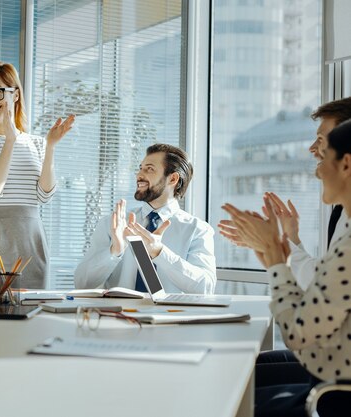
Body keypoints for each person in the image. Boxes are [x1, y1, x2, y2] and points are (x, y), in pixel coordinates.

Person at [217, 98, 351, 386]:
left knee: (234, 381)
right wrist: (287, 244)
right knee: (241, 367)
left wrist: (278, 253)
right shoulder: (342, 214)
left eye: (320, 142)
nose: (312, 152)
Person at [0, 61, 75, 289]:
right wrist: (10, 139)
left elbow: (44, 197)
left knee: (35, 311)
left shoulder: (37, 143)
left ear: (16, 94)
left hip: (32, 235)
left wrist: (50, 146)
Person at [219, 97, 351, 290]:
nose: (312, 148)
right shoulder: (342, 212)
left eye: (321, 139)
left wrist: (272, 245)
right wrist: (290, 240)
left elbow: (327, 286)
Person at [74, 143, 216, 294]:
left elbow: (205, 288)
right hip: (119, 315)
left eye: (149, 169)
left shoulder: (197, 230)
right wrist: (114, 252)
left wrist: (160, 253)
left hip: (170, 317)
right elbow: (82, 284)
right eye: (140, 168)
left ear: (173, 179)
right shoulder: (114, 224)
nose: (139, 175)